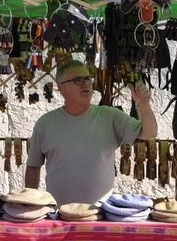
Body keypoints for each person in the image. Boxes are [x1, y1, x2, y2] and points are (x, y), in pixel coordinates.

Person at [24, 60, 158, 205]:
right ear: (61, 88)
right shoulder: (45, 123)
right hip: (59, 215)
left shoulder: (110, 116)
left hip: (100, 216)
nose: (86, 83)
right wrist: (30, 206)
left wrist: (144, 106)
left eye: (88, 78)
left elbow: (149, 133)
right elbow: (33, 166)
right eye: (78, 80)